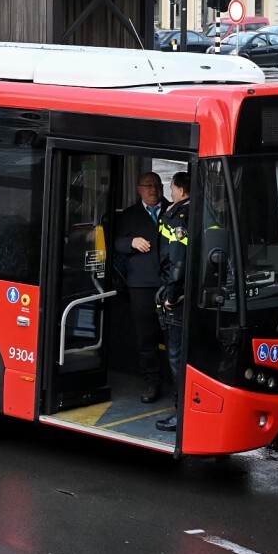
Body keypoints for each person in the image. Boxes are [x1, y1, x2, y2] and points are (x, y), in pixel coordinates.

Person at [107, 170, 168, 402]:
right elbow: (114, 242)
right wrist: (131, 242)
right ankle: (152, 383)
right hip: (141, 285)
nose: (153, 190)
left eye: (157, 185)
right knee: (146, 336)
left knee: (173, 336)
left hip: (170, 284)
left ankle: (179, 385)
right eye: (148, 185)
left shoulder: (174, 211)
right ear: (139, 189)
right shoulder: (129, 215)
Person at [154, 171, 192, 430]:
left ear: (180, 190)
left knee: (176, 356)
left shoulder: (179, 216)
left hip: (178, 297)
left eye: (172, 187)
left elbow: (178, 260)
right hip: (191, 293)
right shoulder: (200, 210)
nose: (171, 192)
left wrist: (171, 296)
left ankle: (182, 413)